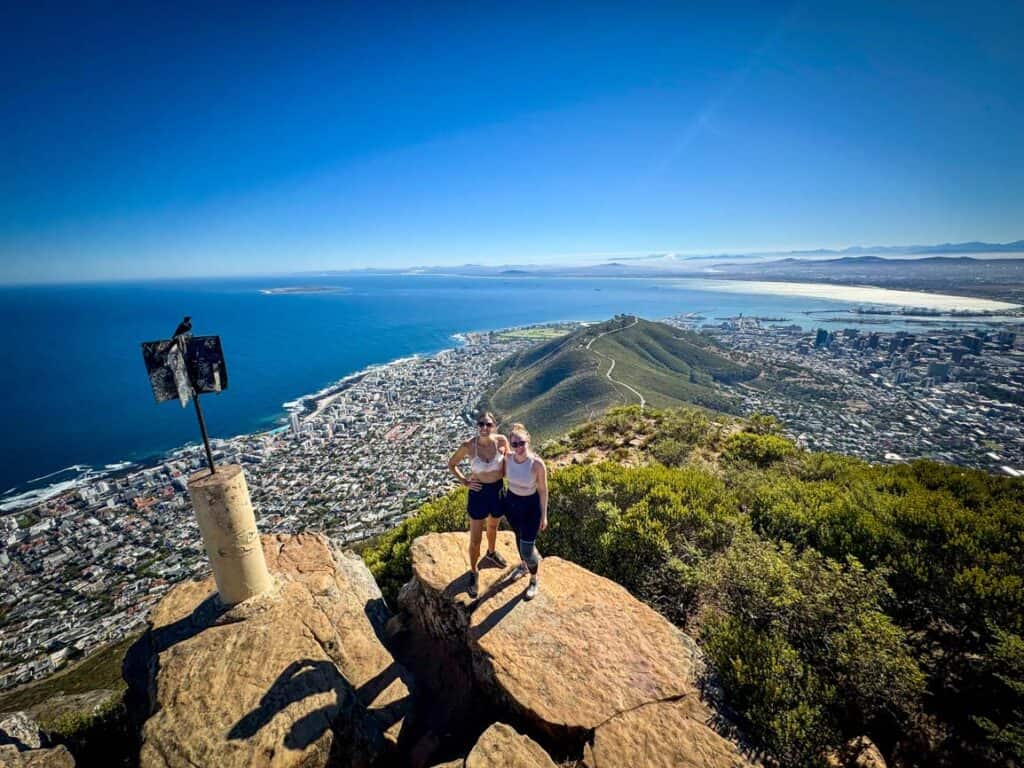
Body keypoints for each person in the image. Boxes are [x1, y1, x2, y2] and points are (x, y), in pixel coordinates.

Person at [447, 412, 509, 598]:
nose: (484, 428)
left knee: (493, 526)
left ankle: (491, 552)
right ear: (477, 425)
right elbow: (452, 464)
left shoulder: (501, 441)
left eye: (488, 424)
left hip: (497, 490)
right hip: (478, 492)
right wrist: (465, 481)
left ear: (494, 426)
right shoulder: (468, 446)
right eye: (481, 424)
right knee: (475, 538)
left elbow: (510, 461)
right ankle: (474, 571)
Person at [503, 423, 548, 600]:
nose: (518, 447)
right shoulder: (507, 458)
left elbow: (543, 490)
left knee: (527, 549)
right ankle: (523, 565)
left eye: (521, 443)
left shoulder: (536, 464)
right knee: (518, 536)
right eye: (514, 444)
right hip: (512, 503)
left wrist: (544, 515)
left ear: (528, 441)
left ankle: (534, 579)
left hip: (530, 506)